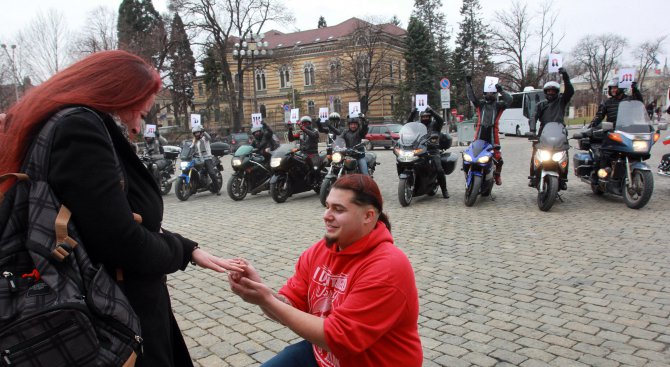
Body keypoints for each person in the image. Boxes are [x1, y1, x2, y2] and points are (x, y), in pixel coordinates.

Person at [0, 50, 244, 367]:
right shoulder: (81, 128)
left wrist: (186, 249)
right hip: (113, 317)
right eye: (141, 114)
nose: (140, 126)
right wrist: (176, 250)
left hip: (113, 304)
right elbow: (120, 241)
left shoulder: (68, 122)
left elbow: (99, 218)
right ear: (119, 96)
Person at [228, 174, 422, 367]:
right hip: (324, 355)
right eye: (327, 206)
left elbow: (339, 338)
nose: (326, 216)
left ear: (368, 216)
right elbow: (289, 306)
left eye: (338, 209)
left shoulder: (388, 266)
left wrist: (266, 299)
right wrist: (260, 290)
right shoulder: (318, 251)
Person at [588, 77, 644, 181]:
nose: (613, 90)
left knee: (635, 150)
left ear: (622, 88)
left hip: (627, 131)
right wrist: (591, 127)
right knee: (604, 153)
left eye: (615, 88)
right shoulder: (607, 102)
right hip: (612, 131)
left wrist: (635, 89)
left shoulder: (629, 100)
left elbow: (639, 102)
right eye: (612, 88)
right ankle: (597, 176)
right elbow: (599, 116)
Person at [528, 67, 574, 188]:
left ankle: (563, 179)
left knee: (564, 155)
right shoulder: (540, 105)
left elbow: (570, 91)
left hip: (560, 134)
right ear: (545, 92)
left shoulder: (561, 101)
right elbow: (533, 117)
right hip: (543, 134)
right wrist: (532, 131)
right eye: (548, 91)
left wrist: (565, 76)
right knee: (535, 154)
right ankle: (533, 176)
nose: (550, 93)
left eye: (553, 91)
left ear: (557, 92)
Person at [465, 75, 512, 185]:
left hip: (493, 135)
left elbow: (509, 100)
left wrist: (501, 90)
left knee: (498, 159)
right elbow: (471, 97)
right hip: (480, 134)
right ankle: (469, 175)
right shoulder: (480, 105)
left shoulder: (499, 105)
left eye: (492, 93)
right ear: (484, 94)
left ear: (495, 94)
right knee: (471, 156)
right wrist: (468, 84)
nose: (489, 94)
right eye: (487, 92)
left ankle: (497, 175)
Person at [407, 105, 449, 197]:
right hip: (419, 149)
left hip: (432, 150)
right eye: (423, 116)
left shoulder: (435, 125)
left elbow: (440, 120)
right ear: (421, 117)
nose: (425, 118)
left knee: (439, 169)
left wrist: (432, 111)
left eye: (427, 116)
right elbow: (408, 124)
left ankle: (444, 190)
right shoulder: (418, 126)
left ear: (430, 117)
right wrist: (413, 113)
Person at [191, 124, 221, 195]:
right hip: (199, 159)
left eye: (198, 132)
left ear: (201, 132)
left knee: (211, 173)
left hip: (207, 158)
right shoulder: (194, 140)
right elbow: (190, 147)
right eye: (195, 133)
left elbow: (209, 137)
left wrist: (203, 131)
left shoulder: (205, 138)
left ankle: (217, 189)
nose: (196, 134)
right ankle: (193, 187)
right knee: (193, 170)